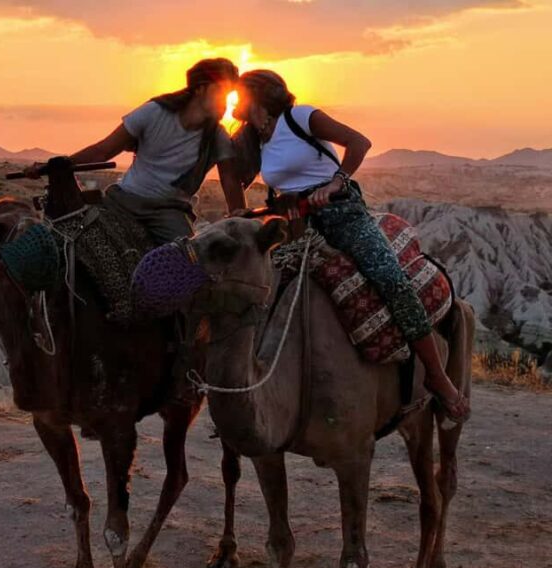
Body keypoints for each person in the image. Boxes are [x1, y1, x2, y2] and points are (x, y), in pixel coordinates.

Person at [231, 69, 470, 423]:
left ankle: (436, 375)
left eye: (238, 93)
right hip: (295, 226)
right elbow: (231, 170)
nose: (233, 101)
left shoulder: (300, 117)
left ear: (256, 95)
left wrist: (336, 182)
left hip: (341, 214)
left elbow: (359, 142)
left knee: (389, 279)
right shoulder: (255, 139)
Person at [28, 58, 246, 245]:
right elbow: (103, 150)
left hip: (169, 211)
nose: (226, 102)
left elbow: (230, 179)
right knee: (80, 242)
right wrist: (52, 166)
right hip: (125, 200)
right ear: (200, 88)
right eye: (222, 91)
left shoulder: (217, 137)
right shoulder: (154, 112)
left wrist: (240, 218)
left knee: (186, 261)